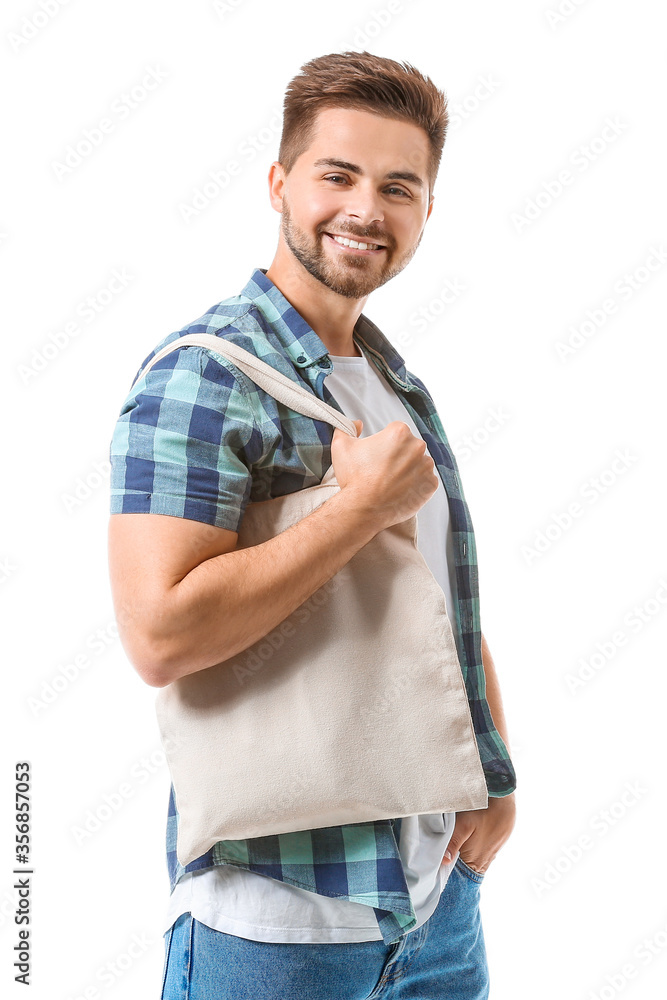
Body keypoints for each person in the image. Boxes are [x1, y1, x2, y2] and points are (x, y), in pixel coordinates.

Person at [108, 49, 517, 1000]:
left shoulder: (391, 379)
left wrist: (492, 770)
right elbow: (160, 633)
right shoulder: (200, 376)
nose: (365, 209)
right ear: (279, 182)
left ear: (424, 212)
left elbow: (437, 595)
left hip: (436, 910)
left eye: (398, 186)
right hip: (277, 923)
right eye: (337, 175)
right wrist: (359, 509)